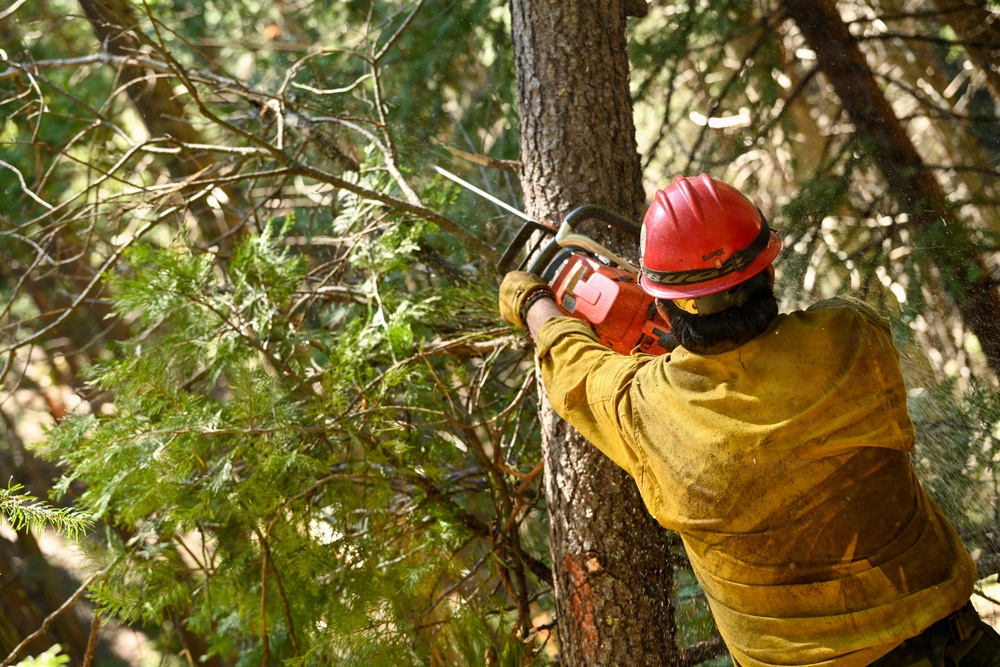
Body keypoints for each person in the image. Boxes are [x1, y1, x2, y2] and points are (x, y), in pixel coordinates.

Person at [498, 174, 1000, 667]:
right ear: (770, 271)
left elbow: (575, 371)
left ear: (666, 302)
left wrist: (531, 300)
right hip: (959, 645)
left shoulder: (646, 410)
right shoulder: (854, 336)